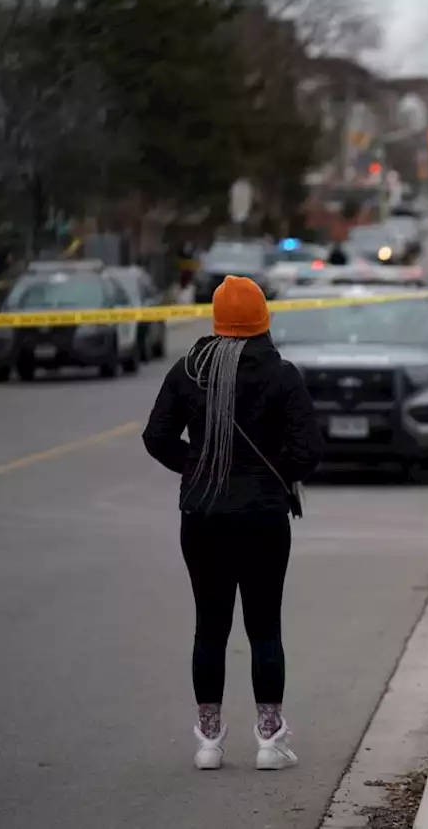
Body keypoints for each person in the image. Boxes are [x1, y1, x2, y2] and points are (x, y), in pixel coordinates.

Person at [142, 275, 323, 771]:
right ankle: (270, 740)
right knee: (265, 627)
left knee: (210, 625)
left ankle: (208, 740)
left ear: (216, 319)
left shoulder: (188, 371)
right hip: (263, 516)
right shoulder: (282, 374)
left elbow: (156, 437)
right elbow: (309, 451)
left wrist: (198, 467)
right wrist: (279, 476)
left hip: (201, 516)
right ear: (263, 318)